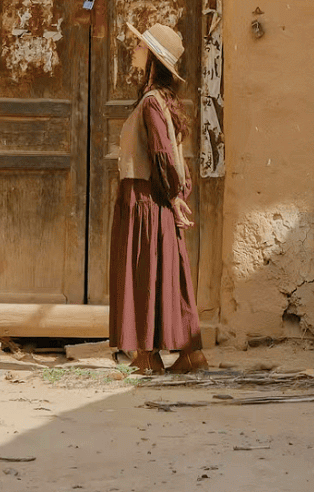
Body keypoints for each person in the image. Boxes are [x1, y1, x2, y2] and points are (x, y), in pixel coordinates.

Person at [108, 19, 207, 374]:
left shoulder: (151, 103)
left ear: (152, 58)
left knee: (142, 272)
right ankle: (189, 355)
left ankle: (146, 357)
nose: (134, 50)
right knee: (166, 271)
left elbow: (164, 154)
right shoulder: (161, 101)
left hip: (145, 198)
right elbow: (175, 155)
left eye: (140, 46)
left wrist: (173, 194)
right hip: (156, 196)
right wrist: (177, 193)